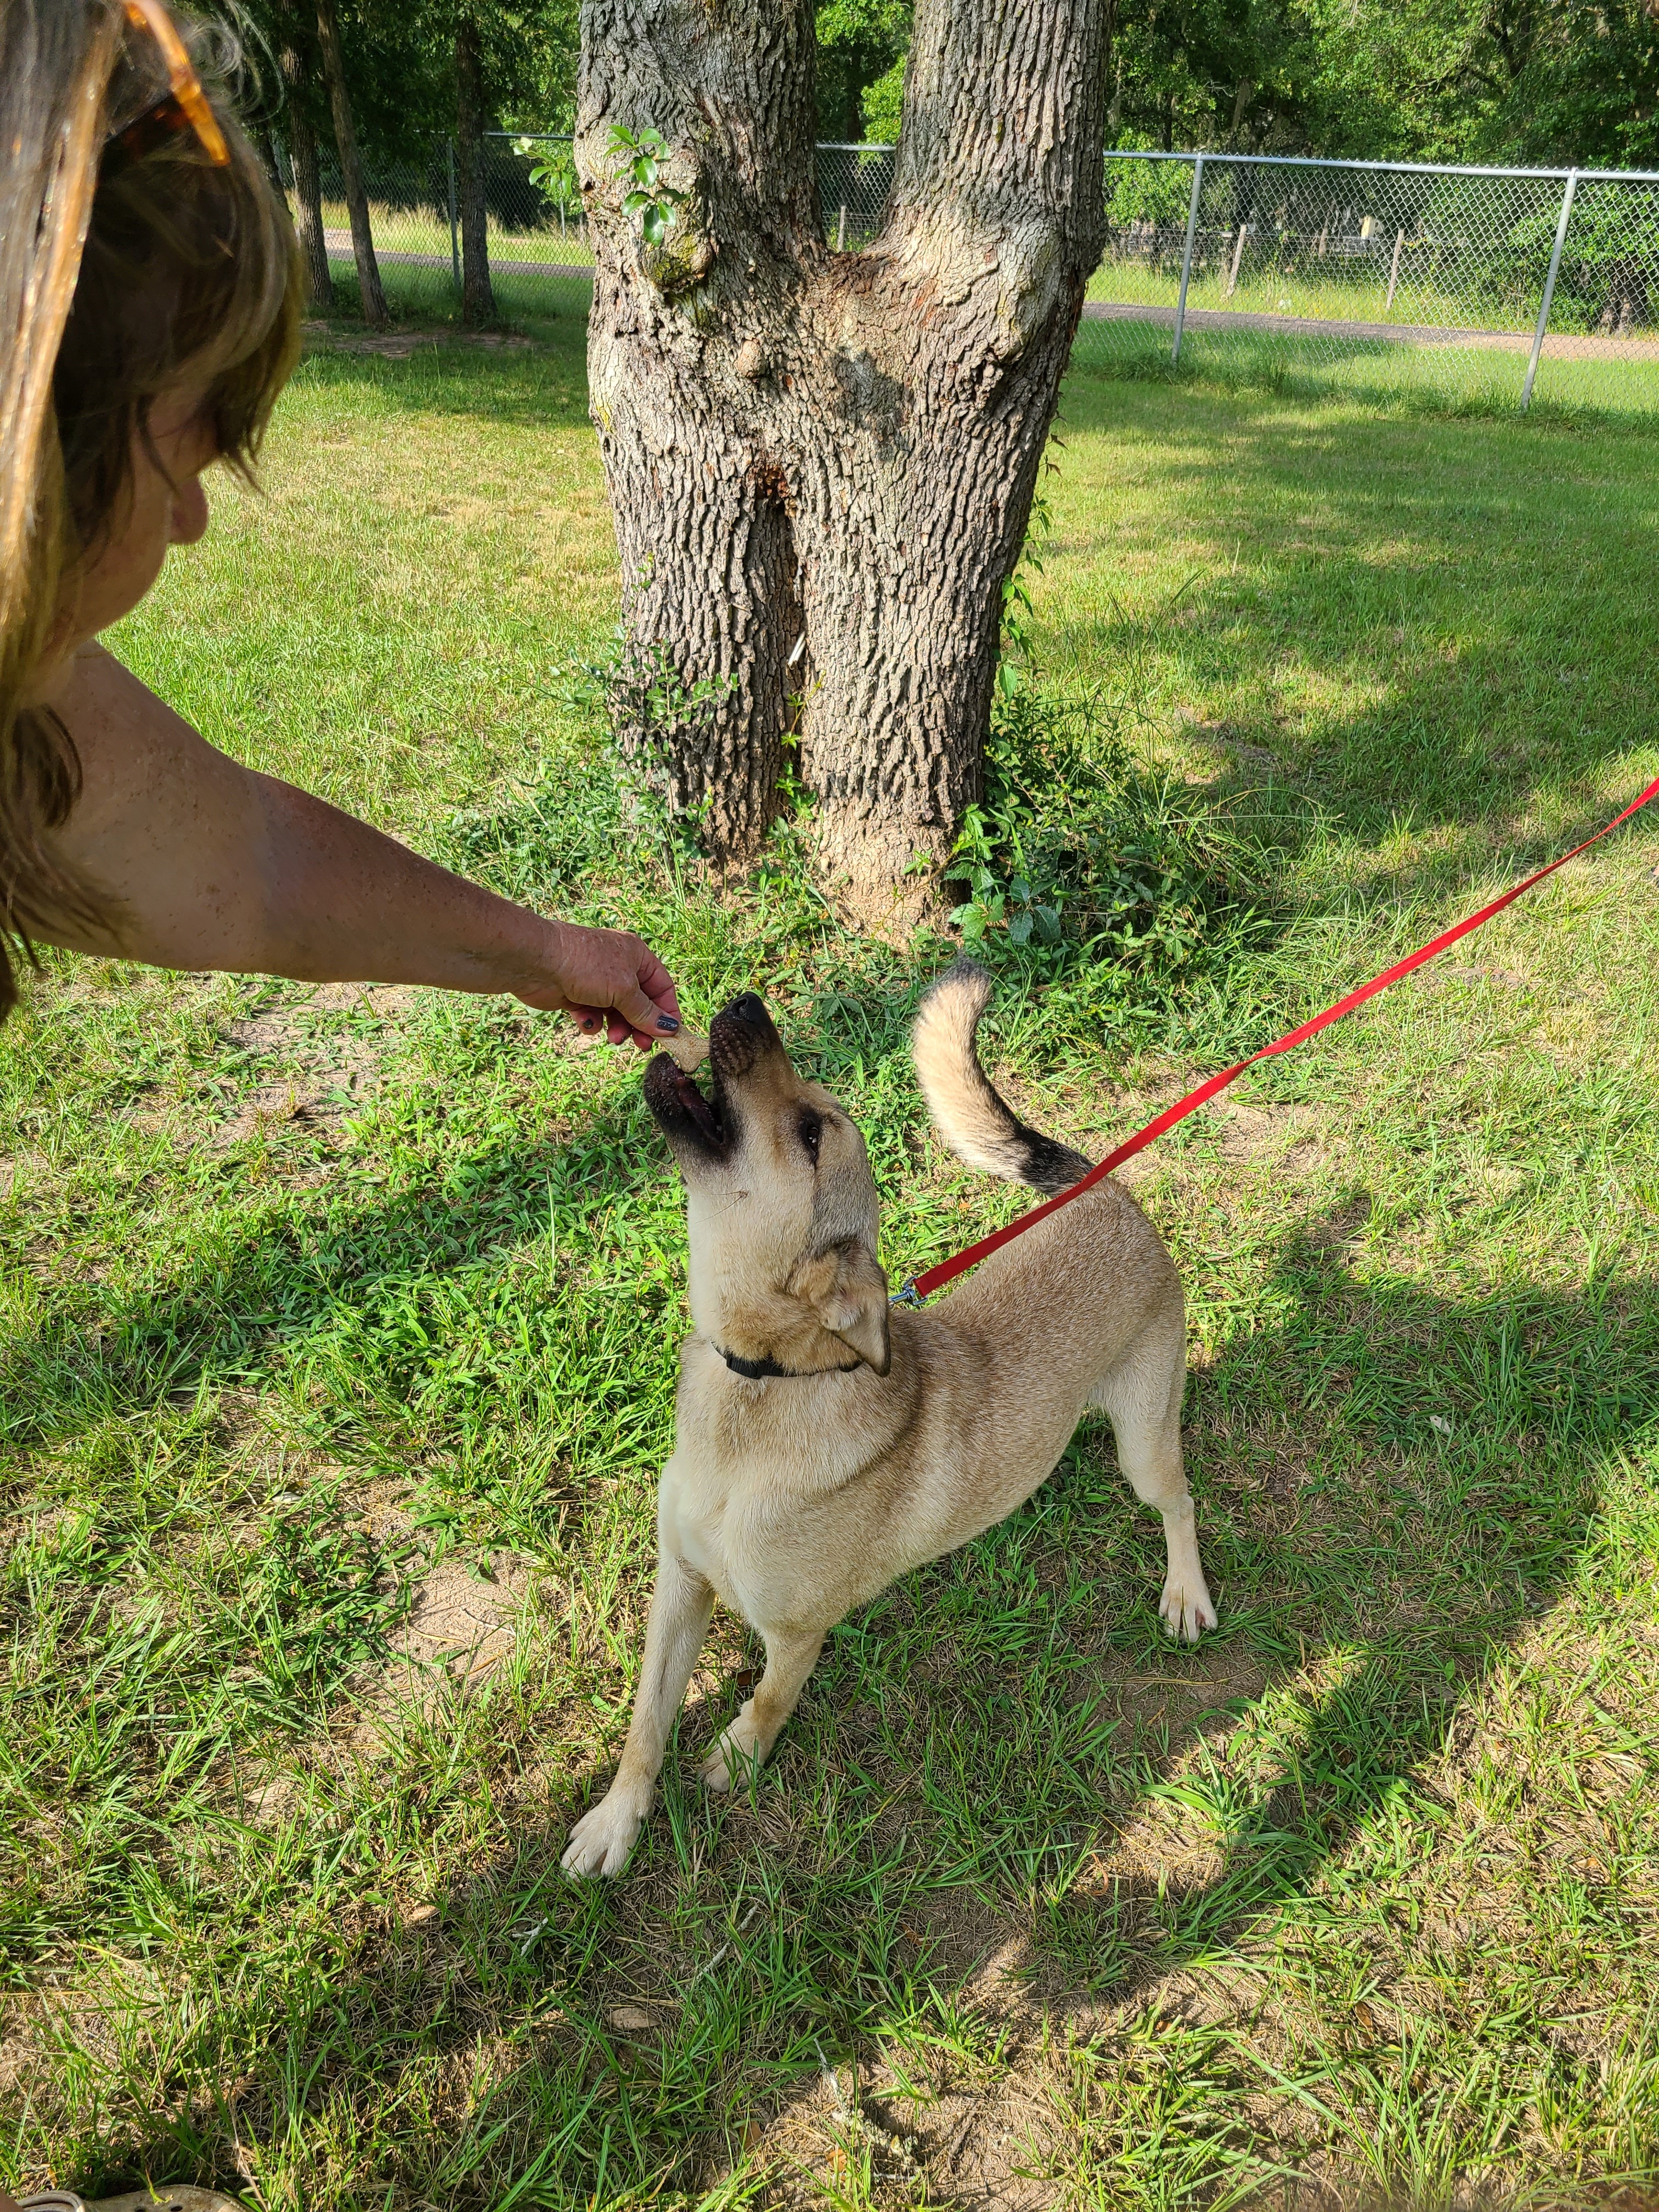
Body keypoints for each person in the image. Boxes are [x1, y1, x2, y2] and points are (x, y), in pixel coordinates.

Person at [0, 0, 682, 1068]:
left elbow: (256, 870)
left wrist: (544, 951)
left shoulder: (22, 707)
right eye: (179, 459)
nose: (190, 523)